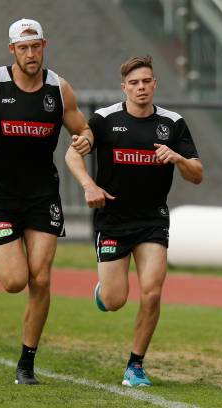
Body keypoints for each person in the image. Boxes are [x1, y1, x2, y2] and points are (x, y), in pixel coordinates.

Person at [0, 18, 92, 385]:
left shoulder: (59, 90)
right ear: (12, 50)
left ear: (45, 46)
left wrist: (86, 140)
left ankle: (26, 363)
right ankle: (5, 249)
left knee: (41, 278)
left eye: (36, 46)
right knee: (15, 281)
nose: (31, 54)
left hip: (42, 193)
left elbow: (82, 127)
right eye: (23, 48)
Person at [65, 55, 203, 387]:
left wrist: (178, 158)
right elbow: (72, 154)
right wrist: (89, 185)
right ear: (124, 87)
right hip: (112, 219)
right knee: (114, 301)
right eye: (134, 83)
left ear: (155, 84)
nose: (141, 88)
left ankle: (135, 366)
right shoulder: (104, 120)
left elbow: (197, 174)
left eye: (147, 82)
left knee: (152, 293)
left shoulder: (172, 124)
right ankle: (104, 290)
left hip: (152, 220)